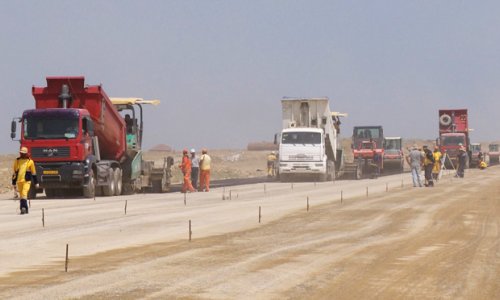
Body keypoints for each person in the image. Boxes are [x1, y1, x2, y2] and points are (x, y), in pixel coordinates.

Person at [12, 146, 38, 214]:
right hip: (19, 181)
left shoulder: (30, 162)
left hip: (27, 181)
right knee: (21, 196)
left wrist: (36, 183)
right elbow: (14, 172)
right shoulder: (17, 160)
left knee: (24, 193)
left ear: (26, 154)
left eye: (23, 153)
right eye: (21, 153)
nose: (22, 154)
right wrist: (14, 182)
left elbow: (34, 173)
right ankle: (24, 209)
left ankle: (23, 208)